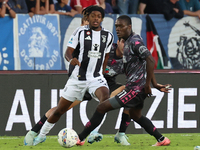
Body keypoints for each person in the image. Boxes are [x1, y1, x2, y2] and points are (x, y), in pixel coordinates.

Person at [76, 15, 171, 147]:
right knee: (136, 116)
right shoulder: (128, 42)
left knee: (101, 107)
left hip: (135, 89)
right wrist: (152, 84)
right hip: (138, 88)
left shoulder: (135, 42)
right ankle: (162, 139)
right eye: (116, 26)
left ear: (129, 27)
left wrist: (150, 84)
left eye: (121, 26)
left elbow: (151, 60)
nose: (118, 29)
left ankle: (80, 138)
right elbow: (145, 62)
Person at [29, 5, 114, 146]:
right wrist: (71, 60)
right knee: (59, 110)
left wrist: (101, 73)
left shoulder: (108, 36)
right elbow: (68, 51)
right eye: (93, 16)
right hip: (77, 79)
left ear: (102, 19)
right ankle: (42, 135)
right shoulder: (80, 32)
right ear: (88, 17)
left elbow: (105, 58)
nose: (96, 19)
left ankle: (94, 132)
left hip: (96, 78)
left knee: (105, 100)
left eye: (99, 16)